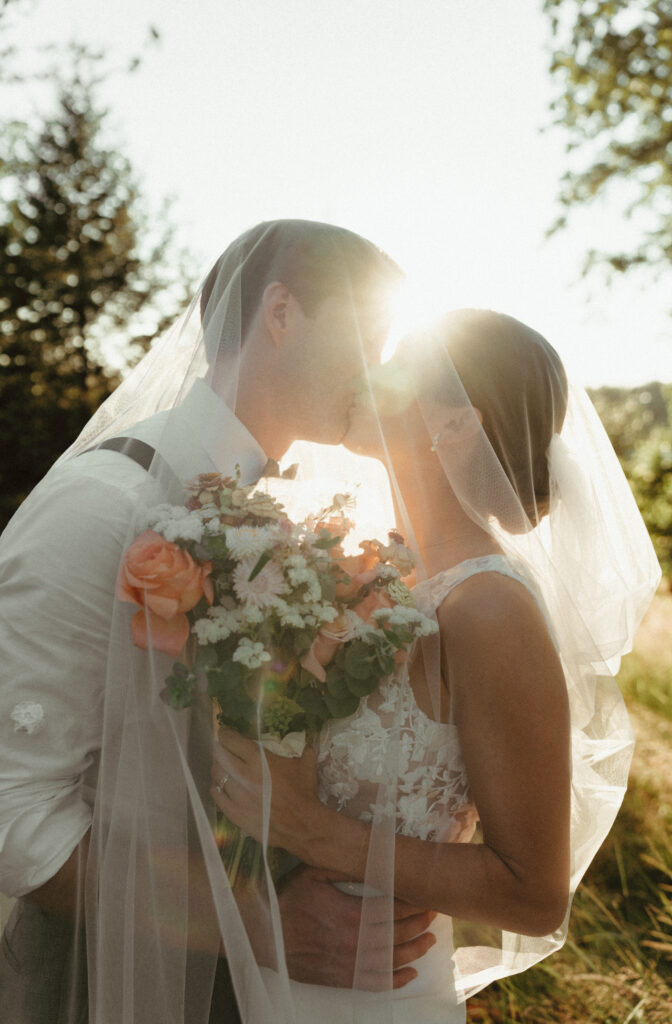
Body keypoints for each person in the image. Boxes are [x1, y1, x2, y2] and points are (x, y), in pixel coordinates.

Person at [0, 220, 439, 1023]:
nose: (381, 374)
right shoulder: (103, 505)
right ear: (280, 315)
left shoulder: (283, 521)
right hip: (109, 981)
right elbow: (12, 805)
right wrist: (250, 923)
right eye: (369, 337)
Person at [211, 309, 661, 1022]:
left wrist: (309, 831)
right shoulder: (364, 572)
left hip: (376, 995)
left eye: (394, 369)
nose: (363, 376)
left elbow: (534, 895)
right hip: (275, 974)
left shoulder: (488, 608)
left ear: (453, 426)